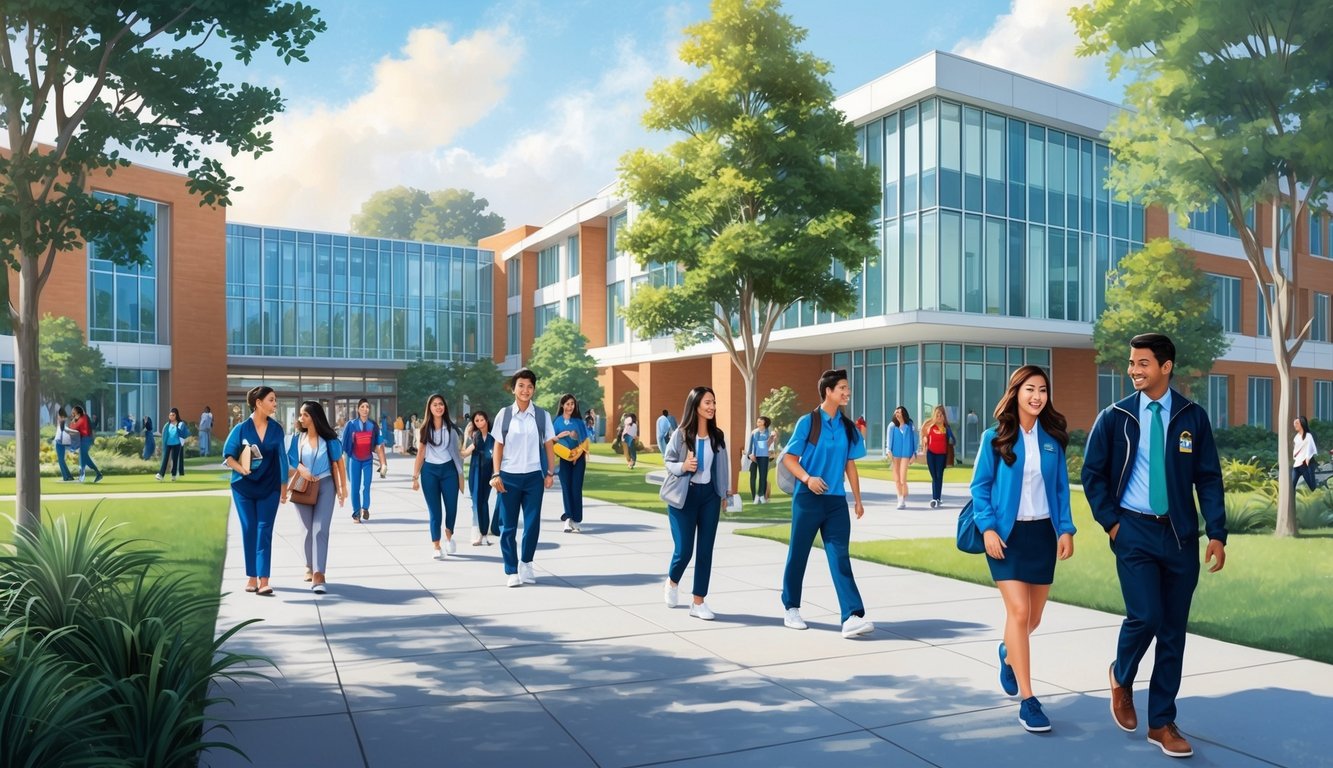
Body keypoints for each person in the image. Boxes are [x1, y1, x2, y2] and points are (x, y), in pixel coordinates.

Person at [1082, 333, 1227, 759]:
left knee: (1173, 633)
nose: (1134, 370)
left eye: (1143, 363)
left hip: (1180, 536)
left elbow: (1210, 478)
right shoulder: (1115, 417)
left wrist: (1216, 532)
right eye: (1131, 363)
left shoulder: (1191, 417)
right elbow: (1093, 475)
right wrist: (1112, 524)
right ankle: (1121, 675)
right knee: (1145, 615)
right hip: (1134, 533)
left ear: (1166, 366)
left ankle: (1161, 722)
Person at [970, 366, 1077, 733]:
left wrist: (1066, 530)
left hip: (1043, 536)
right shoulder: (994, 438)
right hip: (1006, 538)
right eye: (1030, 389)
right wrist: (987, 528)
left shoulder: (1052, 440)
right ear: (1016, 392)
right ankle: (1029, 700)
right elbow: (979, 488)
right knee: (1018, 612)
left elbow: (1061, 489)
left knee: (1033, 619)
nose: (1037, 396)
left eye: (1043, 390)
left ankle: (1006, 653)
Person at [780, 369, 874, 639]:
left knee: (840, 556)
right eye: (842, 388)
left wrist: (857, 499)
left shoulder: (847, 427)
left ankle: (851, 616)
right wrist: (807, 479)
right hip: (808, 499)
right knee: (798, 554)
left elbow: (850, 464)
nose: (847, 392)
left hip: (835, 502)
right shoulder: (808, 422)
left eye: (847, 388)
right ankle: (791, 608)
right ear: (828, 391)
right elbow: (789, 458)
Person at [662, 386, 731, 621]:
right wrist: (683, 467)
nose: (712, 407)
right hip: (684, 497)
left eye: (713, 402)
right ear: (696, 406)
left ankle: (698, 601)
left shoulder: (718, 436)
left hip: (709, 497)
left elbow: (722, 468)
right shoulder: (680, 434)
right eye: (707, 403)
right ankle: (672, 582)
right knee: (684, 550)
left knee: (705, 551)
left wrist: (724, 494)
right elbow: (668, 461)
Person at [492, 368, 557, 587]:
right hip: (509, 477)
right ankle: (511, 570)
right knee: (507, 526)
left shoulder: (542, 415)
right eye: (521, 386)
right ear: (514, 388)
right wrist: (496, 473)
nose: (525, 390)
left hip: (533, 478)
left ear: (534, 389)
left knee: (532, 524)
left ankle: (526, 563)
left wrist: (550, 472)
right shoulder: (504, 414)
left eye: (529, 386)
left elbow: (548, 445)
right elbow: (498, 446)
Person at [223, 385, 289, 596]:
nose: (275, 404)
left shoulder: (277, 429)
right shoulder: (241, 429)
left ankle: (264, 580)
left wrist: (284, 488)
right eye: (271, 400)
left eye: (275, 400)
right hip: (244, 488)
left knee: (264, 530)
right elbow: (228, 456)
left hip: (269, 487)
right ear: (258, 403)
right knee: (250, 528)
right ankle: (251, 575)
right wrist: (241, 468)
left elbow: (282, 459)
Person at [287, 400, 348, 593]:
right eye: (300, 415)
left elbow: (339, 463)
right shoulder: (297, 439)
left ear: (314, 417)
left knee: (320, 529)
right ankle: (309, 565)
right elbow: (291, 460)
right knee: (306, 529)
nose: (300, 418)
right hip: (303, 486)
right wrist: (301, 469)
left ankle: (319, 574)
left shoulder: (329, 440)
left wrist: (342, 489)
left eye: (304, 415)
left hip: (326, 485)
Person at [411, 394, 465, 559]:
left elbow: (458, 452)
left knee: (451, 507)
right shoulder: (424, 429)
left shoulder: (452, 428)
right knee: (435, 511)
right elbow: (420, 453)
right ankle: (436, 545)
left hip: (449, 471)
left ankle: (449, 536)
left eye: (441, 404)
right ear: (430, 408)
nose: (438, 407)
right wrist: (415, 476)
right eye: (435, 404)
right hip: (430, 473)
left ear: (444, 407)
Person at [341, 398, 387, 523]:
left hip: (368, 460)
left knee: (366, 486)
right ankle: (356, 513)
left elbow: (379, 445)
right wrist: (342, 463)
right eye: (362, 407)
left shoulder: (373, 426)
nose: (365, 409)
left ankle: (365, 508)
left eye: (367, 407)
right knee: (355, 487)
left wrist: (383, 464)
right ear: (358, 409)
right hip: (354, 459)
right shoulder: (350, 425)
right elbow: (343, 445)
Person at [553, 394, 591, 533]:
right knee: (566, 487)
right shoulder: (556, 422)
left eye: (572, 404)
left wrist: (577, 443)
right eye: (567, 404)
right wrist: (558, 437)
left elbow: (585, 441)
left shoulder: (578, 422)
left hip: (578, 459)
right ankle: (568, 517)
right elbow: (550, 441)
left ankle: (576, 519)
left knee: (576, 488)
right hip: (563, 459)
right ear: (562, 405)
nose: (570, 407)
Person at [461, 410, 498, 545]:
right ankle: (479, 534)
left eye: (482, 420)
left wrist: (496, 474)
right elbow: (464, 454)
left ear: (487, 420)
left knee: (484, 502)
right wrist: (466, 437)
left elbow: (496, 458)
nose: (480, 422)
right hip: (475, 474)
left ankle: (484, 534)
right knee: (476, 503)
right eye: (476, 421)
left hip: (487, 474)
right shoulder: (475, 437)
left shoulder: (493, 438)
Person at [921, 405, 955, 508]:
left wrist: (950, 439)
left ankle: (936, 498)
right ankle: (936, 498)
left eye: (941, 415)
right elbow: (924, 436)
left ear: (944, 416)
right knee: (934, 476)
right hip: (931, 454)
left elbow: (953, 440)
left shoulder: (946, 428)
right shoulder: (930, 426)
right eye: (937, 415)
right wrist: (925, 440)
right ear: (934, 416)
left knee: (939, 476)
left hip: (941, 455)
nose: (939, 417)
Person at [886, 406, 917, 509]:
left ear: (903, 414)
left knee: (903, 478)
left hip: (906, 454)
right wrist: (888, 450)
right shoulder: (892, 426)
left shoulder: (910, 425)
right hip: (895, 454)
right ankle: (900, 499)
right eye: (896, 412)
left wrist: (914, 453)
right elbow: (889, 440)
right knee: (897, 478)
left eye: (899, 412)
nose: (897, 414)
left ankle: (903, 495)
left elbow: (914, 439)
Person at [70, 405, 102, 483]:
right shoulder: (82, 418)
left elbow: (74, 427)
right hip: (84, 439)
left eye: (74, 413)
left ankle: (84, 474)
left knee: (83, 456)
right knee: (83, 456)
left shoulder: (83, 418)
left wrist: (73, 423)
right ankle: (95, 473)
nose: (73, 415)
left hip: (86, 439)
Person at [747, 416, 776, 504]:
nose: (758, 422)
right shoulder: (754, 432)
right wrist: (750, 455)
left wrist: (773, 437)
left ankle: (761, 495)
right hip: (754, 456)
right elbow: (750, 445)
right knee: (753, 477)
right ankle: (754, 497)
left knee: (763, 477)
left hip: (764, 456)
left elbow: (770, 447)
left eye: (760, 421)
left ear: (764, 422)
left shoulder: (769, 433)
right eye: (757, 421)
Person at [156, 408, 189, 481]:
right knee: (165, 459)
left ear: (176, 415)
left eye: (173, 415)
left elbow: (185, 433)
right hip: (168, 444)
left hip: (177, 444)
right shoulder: (167, 425)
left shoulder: (180, 424)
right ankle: (161, 475)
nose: (171, 416)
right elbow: (164, 434)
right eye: (170, 415)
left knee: (175, 460)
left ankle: (173, 475)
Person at [1293, 416, 1319, 492]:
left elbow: (1312, 448)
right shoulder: (1297, 436)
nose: (1295, 425)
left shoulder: (1310, 435)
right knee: (1292, 484)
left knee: (1312, 486)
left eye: (1297, 423)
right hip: (1297, 464)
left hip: (1307, 464)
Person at [54, 407, 76, 482]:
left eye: (58, 416)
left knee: (61, 461)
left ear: (61, 416)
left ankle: (65, 477)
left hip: (59, 443)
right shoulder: (63, 422)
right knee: (62, 460)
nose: (58, 417)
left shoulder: (62, 422)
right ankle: (69, 476)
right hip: (61, 443)